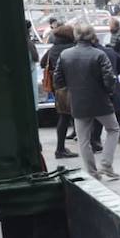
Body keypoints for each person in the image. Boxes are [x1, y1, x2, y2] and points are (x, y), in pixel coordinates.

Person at [55, 22, 120, 180]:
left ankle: (92, 172)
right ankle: (106, 164)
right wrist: (109, 92)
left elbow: (58, 80)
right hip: (100, 100)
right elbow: (109, 79)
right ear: (91, 35)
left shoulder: (65, 55)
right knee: (113, 129)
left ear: (76, 35)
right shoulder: (99, 54)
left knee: (83, 139)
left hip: (77, 101)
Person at [41, 24, 77, 159]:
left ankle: (60, 148)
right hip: (74, 86)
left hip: (59, 88)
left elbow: (42, 63)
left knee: (64, 116)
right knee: (82, 115)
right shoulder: (72, 48)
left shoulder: (53, 49)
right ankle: (91, 142)